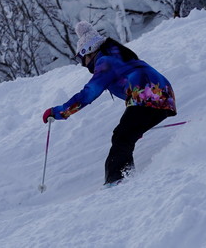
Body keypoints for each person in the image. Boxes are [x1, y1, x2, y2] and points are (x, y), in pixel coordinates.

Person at [42, 21, 177, 186]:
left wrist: (59, 112)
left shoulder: (105, 61)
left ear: (89, 51)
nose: (83, 64)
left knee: (121, 137)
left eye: (81, 58)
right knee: (124, 135)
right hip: (162, 96)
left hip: (148, 95)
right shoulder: (116, 55)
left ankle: (118, 181)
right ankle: (122, 178)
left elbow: (88, 94)